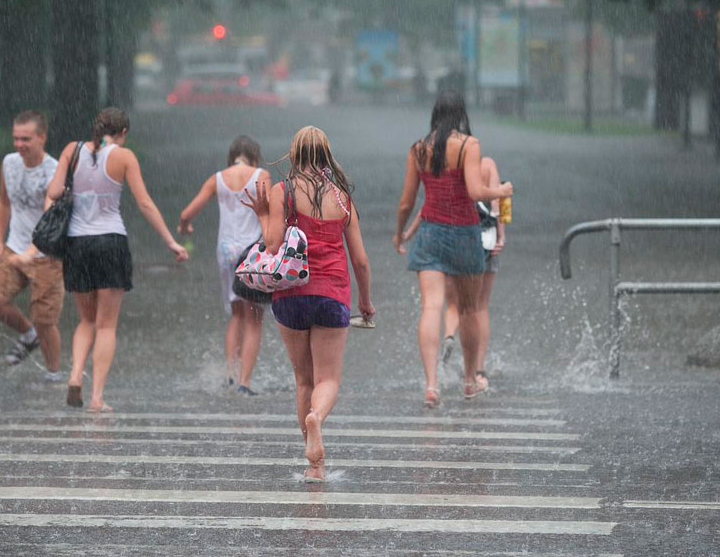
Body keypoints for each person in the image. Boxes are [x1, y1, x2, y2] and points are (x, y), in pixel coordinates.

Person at [243, 125, 374, 481]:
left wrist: (261, 214)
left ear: (295, 154)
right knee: (328, 377)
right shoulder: (343, 197)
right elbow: (360, 260)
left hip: (291, 295)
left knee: (303, 379)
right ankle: (318, 420)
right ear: (325, 154)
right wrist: (365, 301)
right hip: (332, 295)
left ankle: (313, 463)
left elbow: (271, 245)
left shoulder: (282, 190)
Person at [47, 107, 189, 413]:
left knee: (86, 320)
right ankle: (97, 397)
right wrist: (170, 241)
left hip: (77, 243)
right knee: (106, 325)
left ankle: (74, 376)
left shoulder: (72, 150)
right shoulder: (124, 157)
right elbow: (144, 203)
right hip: (111, 242)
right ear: (123, 133)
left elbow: (54, 191)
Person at [394, 91, 512, 406]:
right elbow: (474, 191)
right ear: (461, 113)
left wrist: (399, 234)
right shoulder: (468, 146)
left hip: (430, 232)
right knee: (469, 309)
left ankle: (432, 384)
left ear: (434, 113)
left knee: (431, 306)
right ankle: (470, 380)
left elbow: (407, 201)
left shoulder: (419, 149)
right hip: (464, 233)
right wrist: (498, 190)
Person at [178, 135, 271, 396]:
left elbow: (187, 213)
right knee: (254, 319)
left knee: (236, 315)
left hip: (225, 251)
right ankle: (245, 382)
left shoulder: (218, 179)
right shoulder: (260, 175)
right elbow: (272, 210)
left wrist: (185, 227)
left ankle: (230, 374)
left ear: (232, 156)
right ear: (254, 155)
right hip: (251, 253)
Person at [404, 155, 506, 393]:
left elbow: (429, 206)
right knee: (479, 306)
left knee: (452, 303)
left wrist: (406, 234)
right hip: (484, 241)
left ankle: (449, 334)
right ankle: (478, 372)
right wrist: (501, 236)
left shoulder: (444, 167)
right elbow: (497, 204)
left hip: (452, 239)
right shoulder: (488, 165)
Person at [0, 110, 64, 381]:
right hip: (14, 246)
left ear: (42, 137)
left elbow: (52, 216)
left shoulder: (54, 171)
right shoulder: (9, 163)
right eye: (16, 138)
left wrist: (32, 252)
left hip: (45, 253)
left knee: (45, 319)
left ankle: (54, 373)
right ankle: (28, 335)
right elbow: (4, 202)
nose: (19, 145)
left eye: (26, 139)